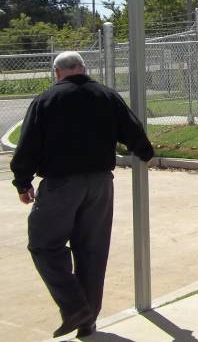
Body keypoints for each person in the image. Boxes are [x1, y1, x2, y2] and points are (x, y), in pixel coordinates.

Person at [10, 51, 154, 338]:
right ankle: (87, 321)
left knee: (43, 244)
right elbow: (132, 130)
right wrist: (144, 152)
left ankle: (75, 306)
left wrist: (23, 181)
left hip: (61, 184)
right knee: (92, 251)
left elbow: (28, 144)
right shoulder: (106, 95)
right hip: (101, 184)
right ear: (83, 69)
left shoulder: (46, 100)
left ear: (57, 72)